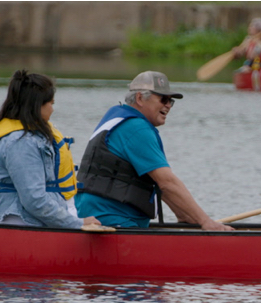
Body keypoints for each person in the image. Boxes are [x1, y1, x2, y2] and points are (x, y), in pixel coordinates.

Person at [75, 71, 233, 231]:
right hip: (112, 220)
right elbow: (167, 183)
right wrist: (206, 222)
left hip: (93, 214)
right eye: (163, 99)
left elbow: (159, 183)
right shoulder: (136, 128)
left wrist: (185, 216)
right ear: (139, 98)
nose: (168, 105)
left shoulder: (117, 116)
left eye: (170, 101)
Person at [0, 70, 101, 229]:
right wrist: (77, 224)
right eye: (51, 103)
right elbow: (34, 199)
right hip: (22, 223)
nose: (52, 109)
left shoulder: (25, 137)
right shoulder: (20, 143)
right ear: (36, 105)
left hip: (31, 221)